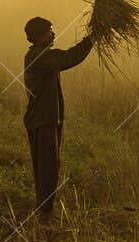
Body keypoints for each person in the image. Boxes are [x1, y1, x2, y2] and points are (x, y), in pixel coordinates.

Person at [22, 16, 94, 219]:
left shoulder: (42, 56)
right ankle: (44, 214)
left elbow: (66, 57)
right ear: (39, 37)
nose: (53, 34)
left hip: (46, 120)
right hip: (42, 121)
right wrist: (91, 38)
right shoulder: (40, 58)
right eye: (49, 32)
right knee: (49, 170)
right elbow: (70, 58)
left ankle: (43, 209)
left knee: (46, 168)